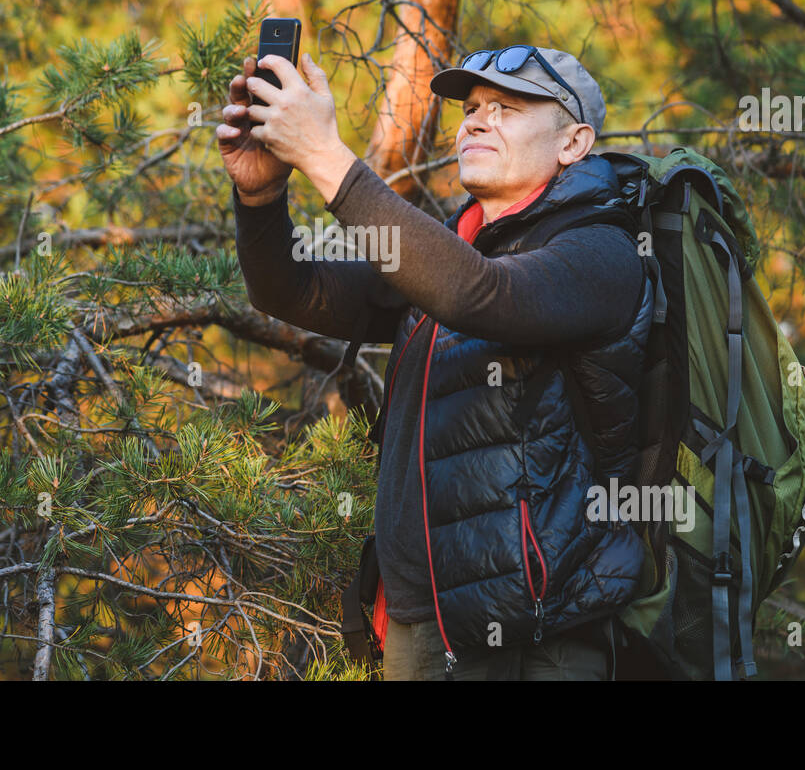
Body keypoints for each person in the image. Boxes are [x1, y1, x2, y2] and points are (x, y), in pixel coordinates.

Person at [216, 45, 653, 680]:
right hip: (419, 624)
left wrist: (322, 154)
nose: (475, 121)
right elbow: (293, 290)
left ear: (573, 142)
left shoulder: (602, 251)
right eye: (471, 108)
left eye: (506, 108)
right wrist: (261, 197)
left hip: (532, 637)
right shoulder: (451, 248)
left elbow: (482, 294)